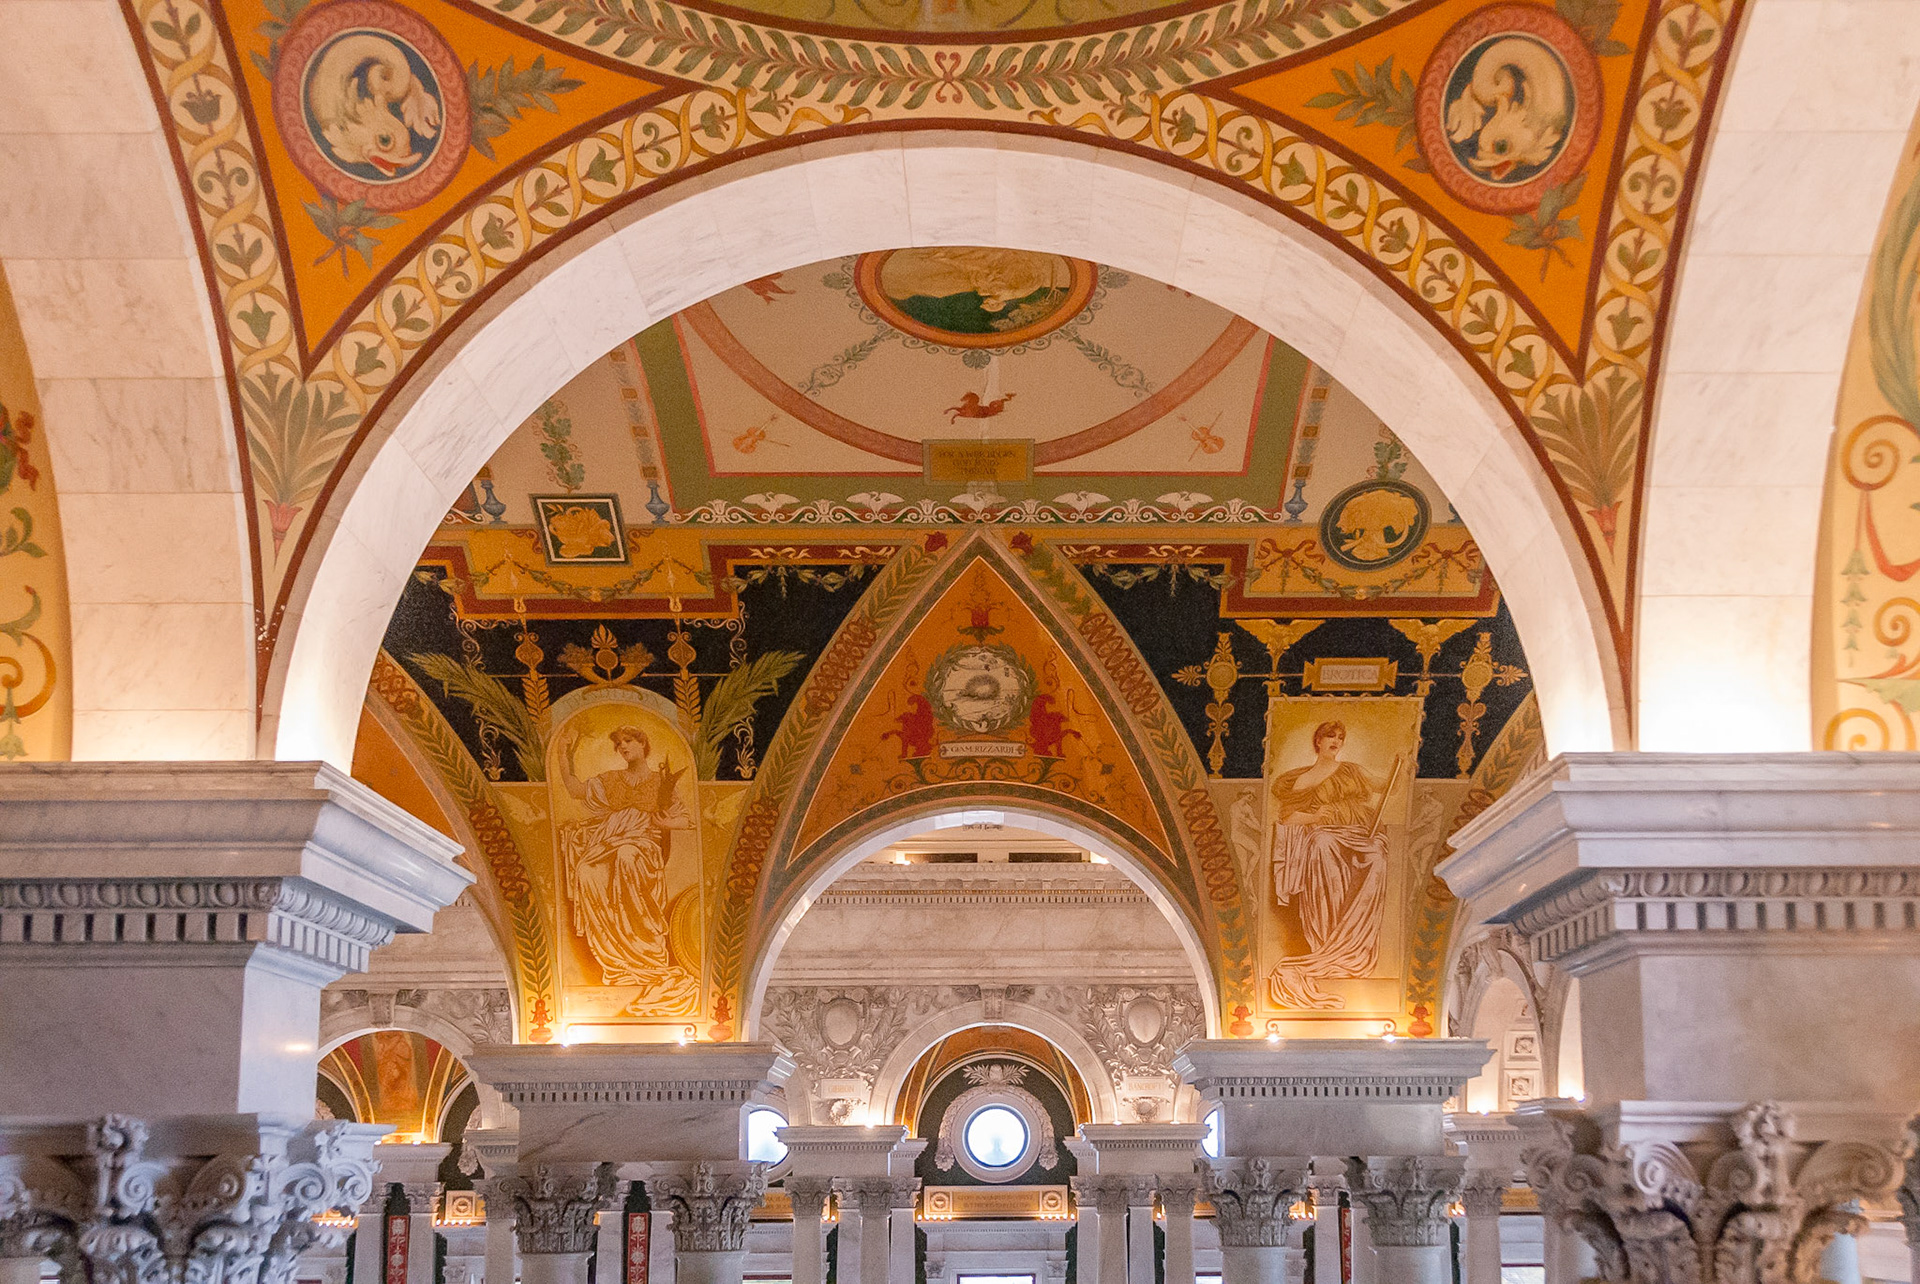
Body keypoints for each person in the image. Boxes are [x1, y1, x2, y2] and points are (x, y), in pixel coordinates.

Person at [556, 724, 696, 1010]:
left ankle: (645, 951)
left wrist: (664, 823)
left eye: (628, 741)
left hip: (641, 846)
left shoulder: (661, 782)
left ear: (644, 744)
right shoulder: (609, 781)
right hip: (607, 843)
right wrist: (562, 754)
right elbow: (573, 788)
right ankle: (617, 961)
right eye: (619, 744)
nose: (623, 747)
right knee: (586, 872)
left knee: (627, 855)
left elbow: (685, 819)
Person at [1266, 720, 1399, 1010]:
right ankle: (1328, 942)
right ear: (1318, 741)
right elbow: (1288, 818)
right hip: (1326, 835)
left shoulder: (1352, 770)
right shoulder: (1302, 779)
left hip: (1361, 832)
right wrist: (1316, 817)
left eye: (1340, 736)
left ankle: (1354, 943)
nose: (1336, 740)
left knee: (1377, 855)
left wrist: (1404, 767)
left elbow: (1386, 785)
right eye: (1330, 735)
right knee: (1322, 843)